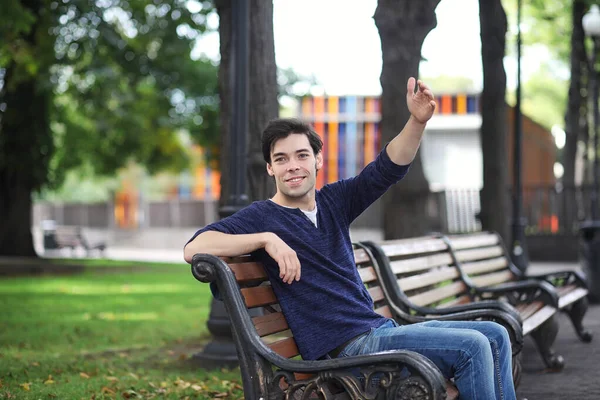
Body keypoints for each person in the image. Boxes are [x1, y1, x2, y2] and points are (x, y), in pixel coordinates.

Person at [184, 77, 517, 400]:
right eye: (281, 159)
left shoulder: (334, 202)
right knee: (472, 347)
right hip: (347, 351)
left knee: (496, 334)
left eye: (301, 155)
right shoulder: (261, 217)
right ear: (270, 169)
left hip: (377, 332)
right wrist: (266, 239)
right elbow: (194, 249)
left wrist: (416, 121)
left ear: (317, 160)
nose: (293, 167)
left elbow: (385, 169)